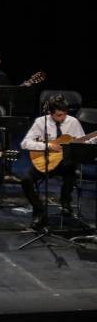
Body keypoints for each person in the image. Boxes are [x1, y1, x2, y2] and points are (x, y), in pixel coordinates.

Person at [20, 96, 94, 230]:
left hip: (66, 162)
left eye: (65, 114)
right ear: (50, 113)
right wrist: (48, 146)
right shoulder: (40, 122)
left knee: (72, 170)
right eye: (59, 115)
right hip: (46, 161)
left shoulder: (73, 122)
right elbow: (25, 143)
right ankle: (40, 211)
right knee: (26, 180)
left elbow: (84, 143)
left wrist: (92, 140)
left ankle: (66, 203)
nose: (63, 117)